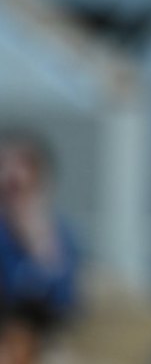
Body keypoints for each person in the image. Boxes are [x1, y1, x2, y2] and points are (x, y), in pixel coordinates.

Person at [0, 129, 78, 327]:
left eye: (25, 164)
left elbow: (63, 301)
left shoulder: (62, 234)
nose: (13, 173)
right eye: (5, 162)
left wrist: (40, 247)